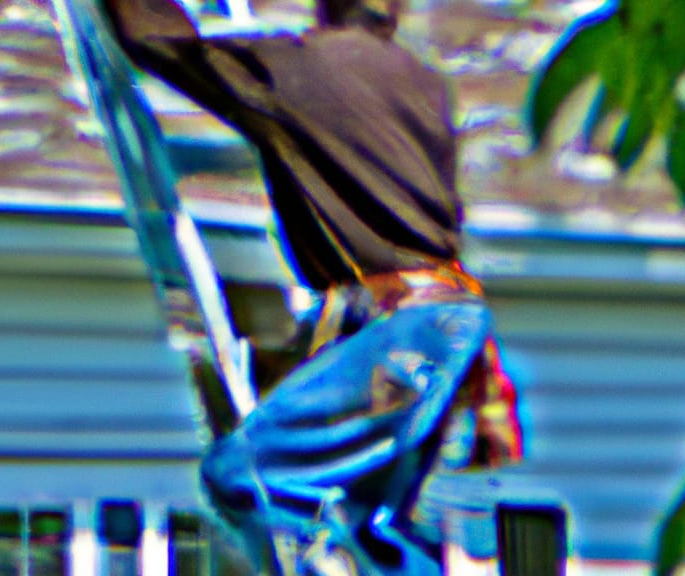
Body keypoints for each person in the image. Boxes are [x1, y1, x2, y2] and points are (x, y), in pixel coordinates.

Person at [102, 0, 523, 572]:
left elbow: (163, 43)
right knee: (381, 531)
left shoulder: (298, 66)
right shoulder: (423, 80)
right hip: (443, 325)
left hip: (402, 328)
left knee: (245, 476)